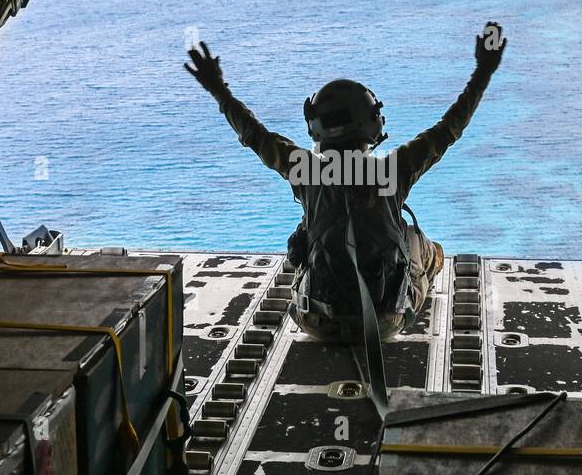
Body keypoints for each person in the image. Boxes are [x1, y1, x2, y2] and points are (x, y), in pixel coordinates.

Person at [185, 22, 506, 343]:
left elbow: (254, 134)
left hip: (315, 320)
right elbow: (449, 128)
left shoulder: (305, 169)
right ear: (373, 122)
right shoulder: (394, 171)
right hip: (385, 322)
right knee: (419, 243)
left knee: (305, 236)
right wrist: (483, 73)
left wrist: (218, 88)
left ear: (315, 127)